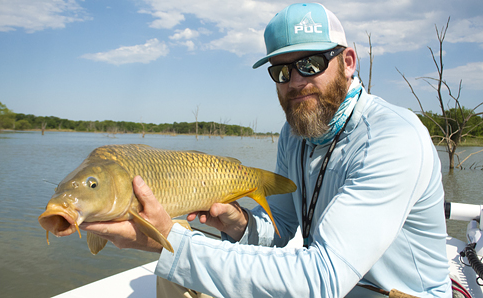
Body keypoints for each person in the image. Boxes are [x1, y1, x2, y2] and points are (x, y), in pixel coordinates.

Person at [81, 3, 451, 297]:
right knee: (178, 280)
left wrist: (170, 242)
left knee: (179, 260)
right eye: (282, 72)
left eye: (311, 64)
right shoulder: (294, 135)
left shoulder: (392, 138)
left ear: (348, 63)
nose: (296, 82)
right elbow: (282, 229)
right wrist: (240, 225)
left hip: (390, 294)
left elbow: (322, 280)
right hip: (325, 286)